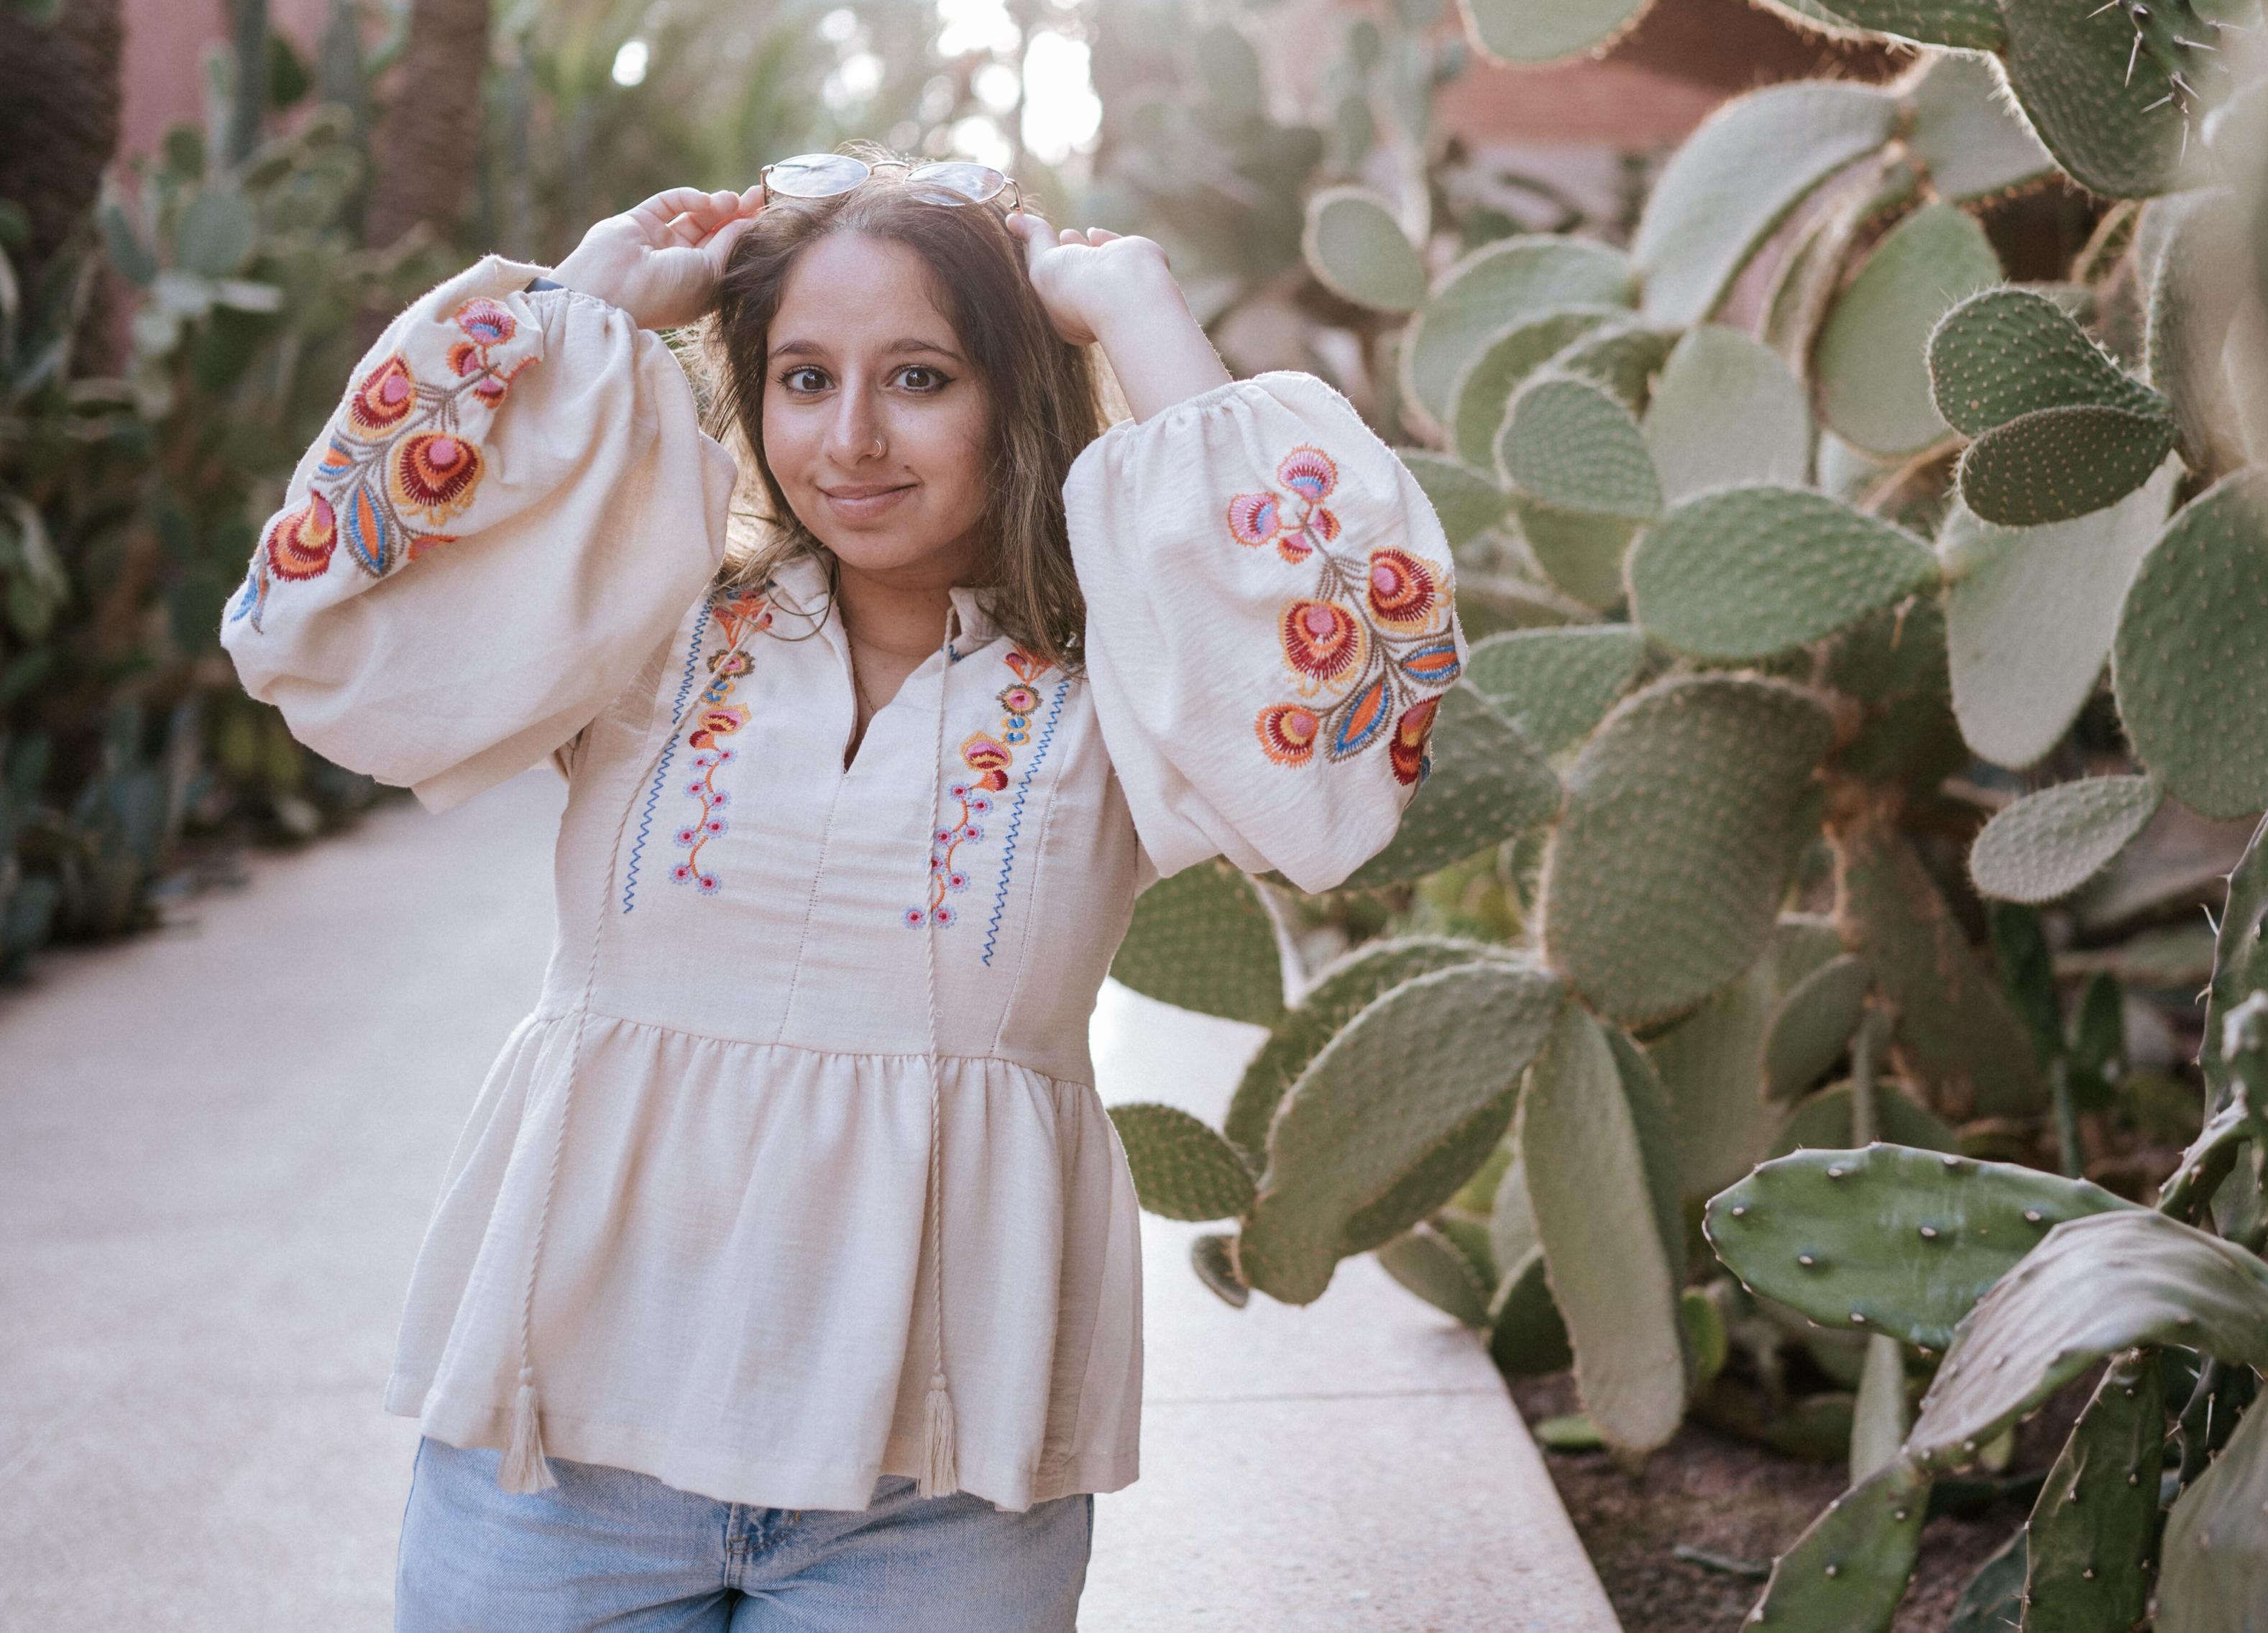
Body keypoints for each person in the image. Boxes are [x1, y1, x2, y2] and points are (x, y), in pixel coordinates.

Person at [219, 151, 1463, 1630]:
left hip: (936, 1498)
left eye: (922, 377)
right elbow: (320, 635)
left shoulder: (1122, 683)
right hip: (559, 1467)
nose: (853, 438)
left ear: (1015, 393)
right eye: (804, 377)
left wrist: (1133, 308)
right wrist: (582, 305)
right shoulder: (646, 626)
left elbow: (1349, 734)